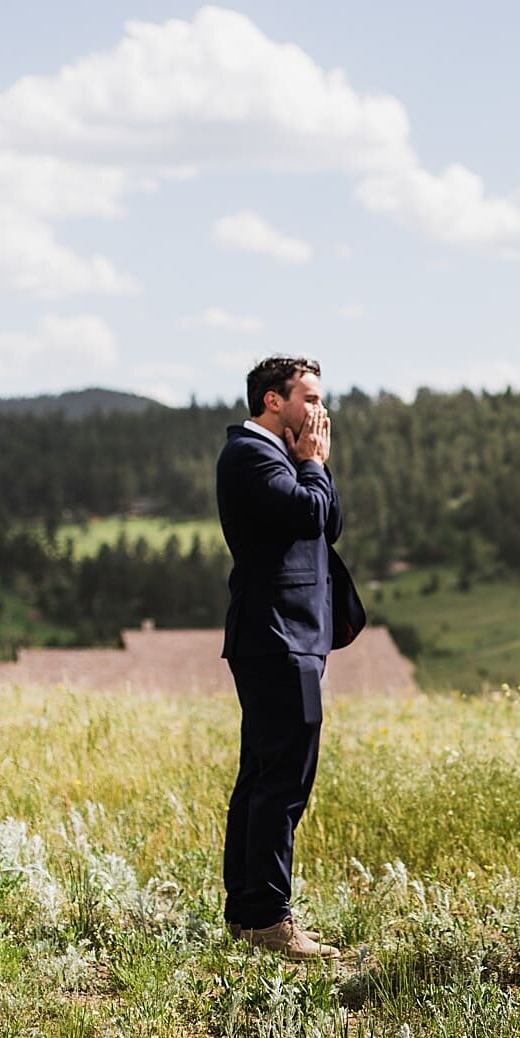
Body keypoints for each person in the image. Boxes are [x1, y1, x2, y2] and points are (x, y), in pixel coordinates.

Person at [215, 356, 365, 961]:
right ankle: (268, 919)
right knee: (280, 781)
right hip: (274, 637)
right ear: (273, 401)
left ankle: (250, 912)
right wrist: (313, 465)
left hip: (291, 637)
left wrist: (312, 468)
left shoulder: (286, 458)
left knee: (267, 775)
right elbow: (309, 511)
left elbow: (330, 521)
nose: (319, 411)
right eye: (309, 397)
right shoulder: (249, 455)